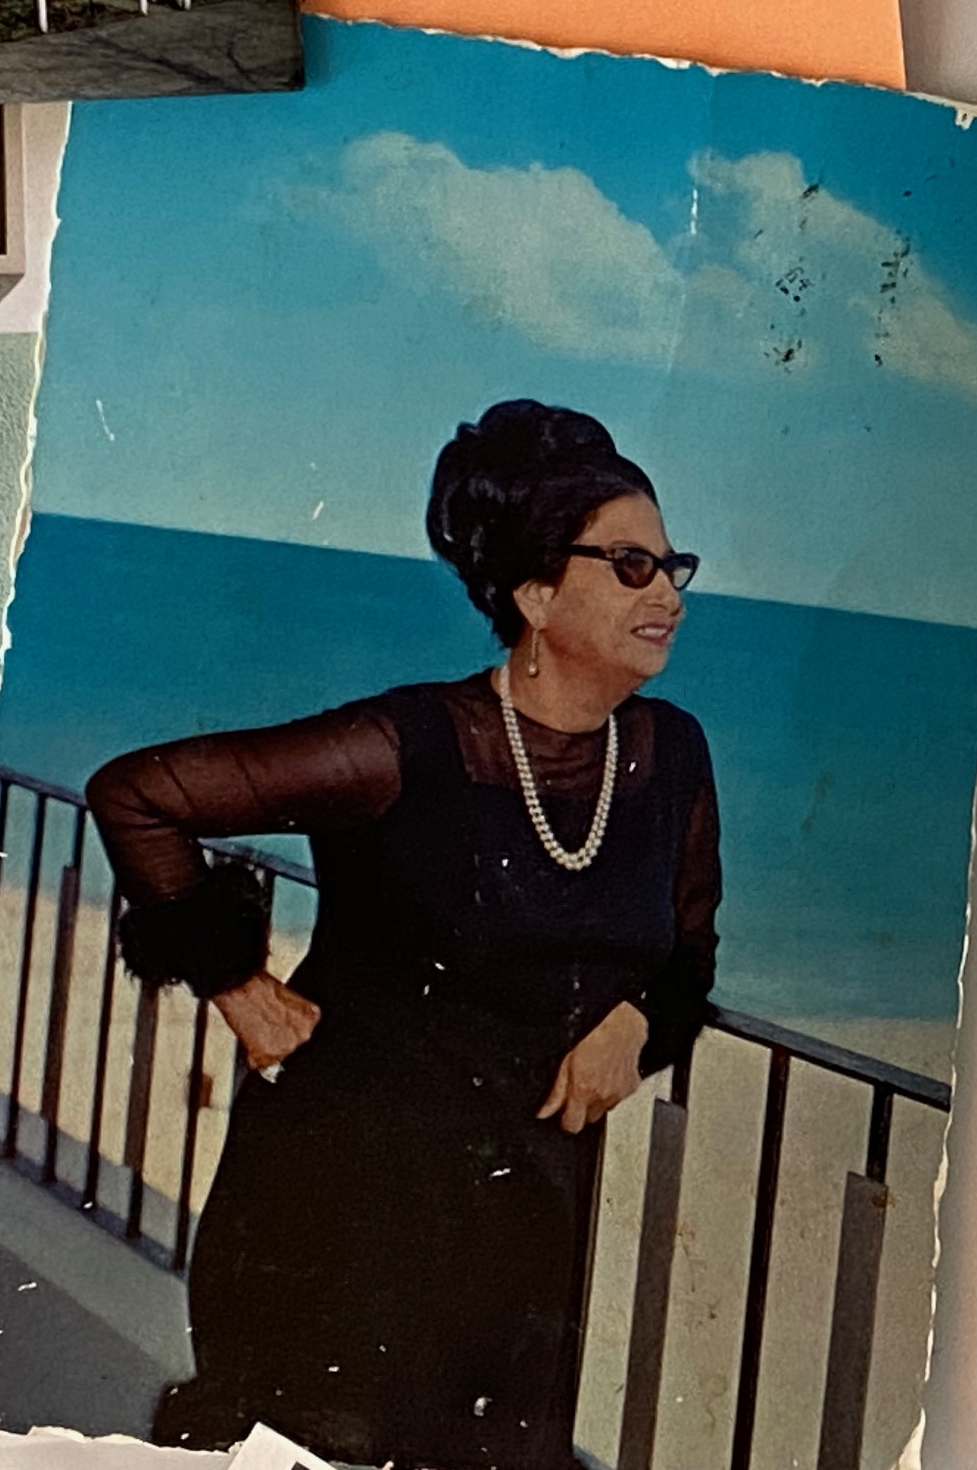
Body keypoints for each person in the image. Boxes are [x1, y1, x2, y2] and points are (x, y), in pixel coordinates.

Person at [85, 399, 721, 1469]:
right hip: (339, 1208)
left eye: (671, 567)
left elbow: (688, 953)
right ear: (534, 593)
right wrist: (237, 981)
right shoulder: (407, 745)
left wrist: (638, 1026)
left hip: (523, 1227)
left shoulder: (673, 755)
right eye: (630, 566)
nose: (667, 595)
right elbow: (138, 794)